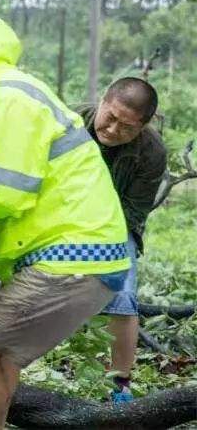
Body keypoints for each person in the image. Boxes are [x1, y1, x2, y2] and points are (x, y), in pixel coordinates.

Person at [0, 16, 130, 429]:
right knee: (4, 357)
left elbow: (5, 194)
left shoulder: (6, 96)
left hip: (71, 255)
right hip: (87, 255)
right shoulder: (6, 91)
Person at [80, 77, 166, 402]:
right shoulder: (70, 124)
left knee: (123, 294)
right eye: (111, 117)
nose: (114, 129)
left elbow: (133, 213)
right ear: (103, 101)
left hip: (116, 225)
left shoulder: (153, 152)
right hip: (59, 217)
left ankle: (120, 386)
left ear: (143, 126)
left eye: (127, 127)